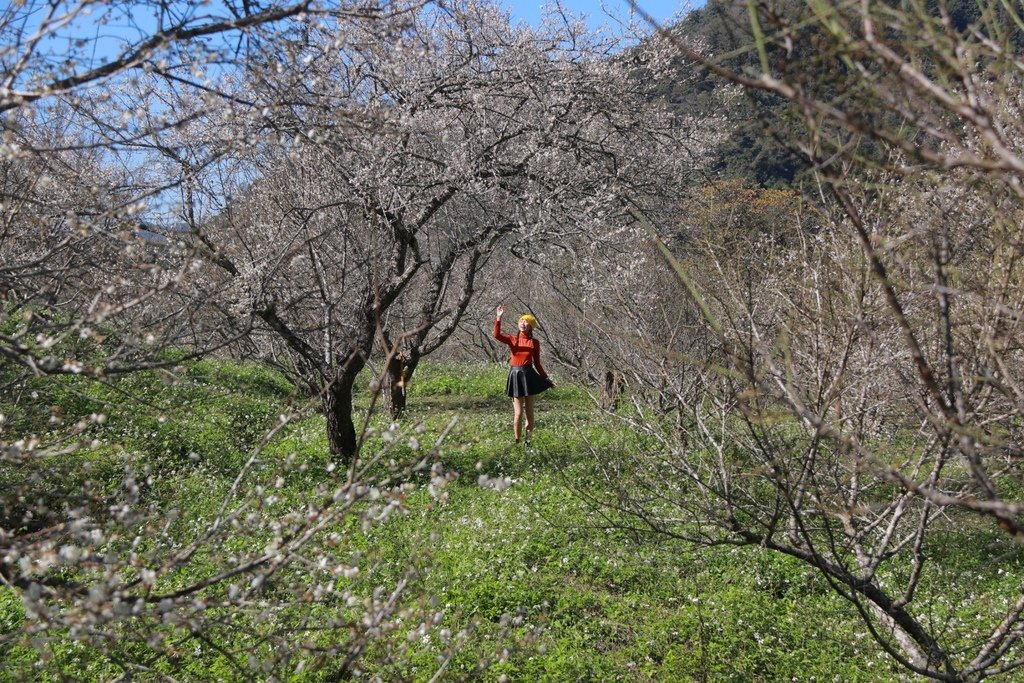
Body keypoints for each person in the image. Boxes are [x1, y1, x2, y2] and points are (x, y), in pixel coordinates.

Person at [493, 304, 555, 443]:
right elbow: (496, 335)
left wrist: (547, 380)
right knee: (518, 413)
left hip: (529, 376)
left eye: (526, 321)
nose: (523, 323)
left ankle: (528, 442)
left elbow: (537, 364)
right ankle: (517, 441)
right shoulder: (512, 339)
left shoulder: (535, 343)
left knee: (530, 413)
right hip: (515, 375)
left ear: (531, 326)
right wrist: (498, 317)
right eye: (521, 320)